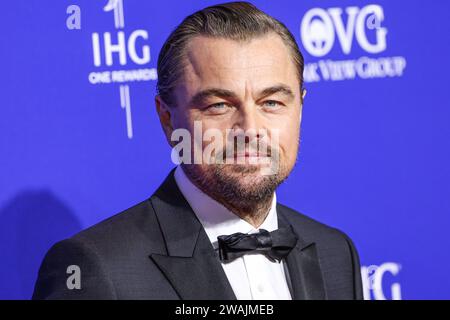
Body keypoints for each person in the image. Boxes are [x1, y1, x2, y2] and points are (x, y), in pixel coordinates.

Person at [33, 1, 363, 300]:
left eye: (272, 102)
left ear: (300, 109)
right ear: (167, 118)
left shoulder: (336, 253)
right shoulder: (97, 268)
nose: (250, 129)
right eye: (219, 105)